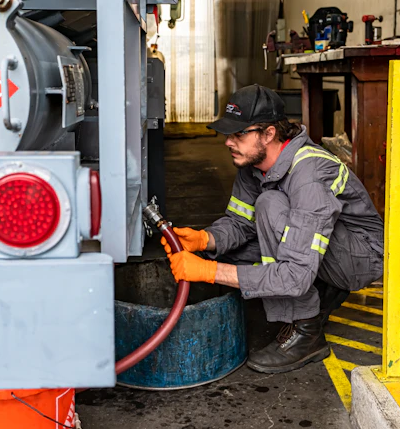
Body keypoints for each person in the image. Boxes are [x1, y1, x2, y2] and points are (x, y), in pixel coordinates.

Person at [161, 84, 384, 374]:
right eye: (228, 133)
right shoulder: (251, 165)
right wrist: (205, 240)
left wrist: (208, 271)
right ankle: (323, 291)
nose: (228, 142)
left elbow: (294, 276)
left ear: (268, 134)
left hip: (360, 258)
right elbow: (240, 223)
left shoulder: (309, 175)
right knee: (231, 252)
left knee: (269, 206)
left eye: (239, 134)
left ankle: (307, 334)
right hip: (323, 246)